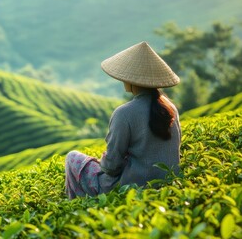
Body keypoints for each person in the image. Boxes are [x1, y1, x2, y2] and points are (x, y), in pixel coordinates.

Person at [65, 41, 181, 199]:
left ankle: (77, 209)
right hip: (168, 183)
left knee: (73, 157)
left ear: (131, 80)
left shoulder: (124, 113)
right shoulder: (170, 108)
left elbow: (111, 167)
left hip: (132, 188)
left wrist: (103, 162)